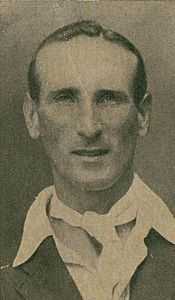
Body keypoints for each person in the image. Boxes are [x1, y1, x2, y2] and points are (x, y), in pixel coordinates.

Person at [1, 20, 175, 300]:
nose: (89, 127)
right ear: (32, 117)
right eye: (65, 99)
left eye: (108, 99)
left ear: (142, 115)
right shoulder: (6, 265)